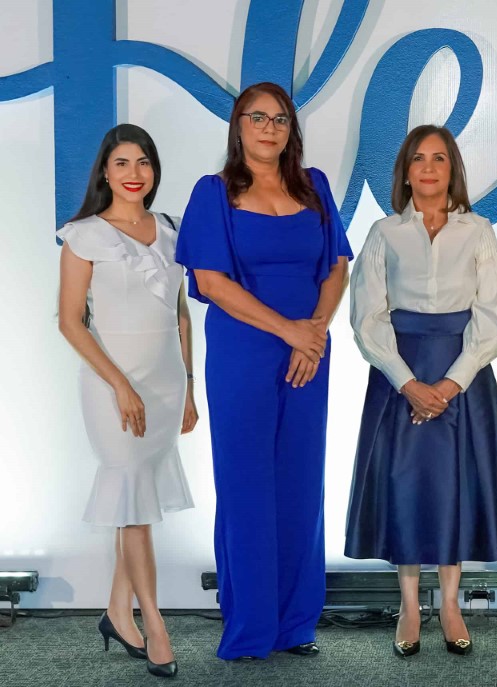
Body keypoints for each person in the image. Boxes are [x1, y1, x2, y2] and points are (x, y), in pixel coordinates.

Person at [174, 82, 352, 660]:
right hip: (244, 352)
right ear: (239, 125)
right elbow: (210, 282)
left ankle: (296, 625)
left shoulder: (314, 185)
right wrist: (290, 331)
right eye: (258, 117)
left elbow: (337, 266)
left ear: (290, 129)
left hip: (309, 354)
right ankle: (250, 628)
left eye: (279, 118)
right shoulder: (214, 192)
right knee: (247, 484)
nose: (269, 127)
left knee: (301, 483)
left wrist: (314, 331)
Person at [345, 124, 497, 658]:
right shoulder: (384, 233)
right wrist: (407, 383)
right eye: (418, 159)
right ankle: (409, 605)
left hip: (462, 375)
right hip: (399, 376)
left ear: (453, 170)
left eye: (439, 159)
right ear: (405, 172)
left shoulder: (478, 231)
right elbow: (367, 315)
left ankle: (450, 604)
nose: (428, 168)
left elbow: (494, 314)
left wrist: (452, 382)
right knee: (405, 486)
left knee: (456, 484)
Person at [57, 123, 197, 679]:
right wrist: (119, 384)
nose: (134, 173)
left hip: (165, 384)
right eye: (122, 163)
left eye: (143, 162)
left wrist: (190, 388)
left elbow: (181, 313)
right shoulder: (83, 235)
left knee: (134, 502)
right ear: (105, 172)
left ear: (154, 170)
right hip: (112, 384)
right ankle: (155, 625)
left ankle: (118, 613)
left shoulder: (172, 230)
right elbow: (70, 322)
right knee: (134, 503)